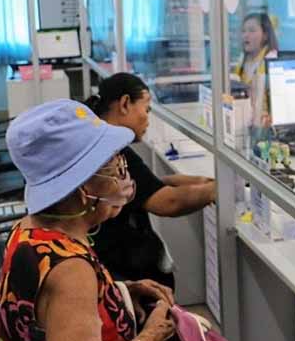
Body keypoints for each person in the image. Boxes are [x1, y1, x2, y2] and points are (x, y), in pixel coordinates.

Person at [0, 99, 214, 341]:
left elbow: (52, 311)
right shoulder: (70, 271)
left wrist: (120, 291)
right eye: (111, 165)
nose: (123, 173)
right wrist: (148, 338)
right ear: (83, 189)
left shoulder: (30, 231)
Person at [86, 73, 217, 290]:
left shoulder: (95, 137)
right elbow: (168, 203)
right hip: (124, 274)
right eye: (146, 109)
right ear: (125, 104)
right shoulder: (114, 153)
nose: (148, 118)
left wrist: (191, 181)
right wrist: (217, 189)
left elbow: (140, 187)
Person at [232, 12, 279, 126]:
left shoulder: (271, 61)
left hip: (265, 126)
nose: (245, 35)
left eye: (252, 30)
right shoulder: (244, 58)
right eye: (243, 31)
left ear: (265, 35)